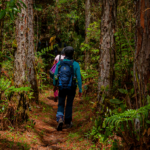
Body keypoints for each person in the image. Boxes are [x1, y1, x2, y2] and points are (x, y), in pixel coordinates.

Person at [53, 46, 82, 131]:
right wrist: (80, 89)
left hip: (61, 87)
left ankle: (60, 118)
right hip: (71, 88)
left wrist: (55, 84)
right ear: (73, 54)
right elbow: (79, 78)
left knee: (61, 103)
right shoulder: (75, 64)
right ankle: (68, 122)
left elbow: (55, 75)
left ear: (64, 54)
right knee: (69, 104)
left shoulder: (59, 63)